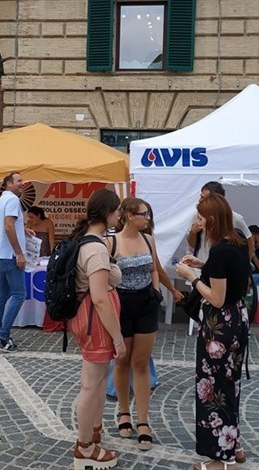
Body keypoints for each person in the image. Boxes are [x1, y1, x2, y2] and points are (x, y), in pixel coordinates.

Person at [176, 194, 251, 469]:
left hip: (219, 326)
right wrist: (201, 266)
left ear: (209, 220)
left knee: (215, 390)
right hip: (237, 321)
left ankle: (223, 460)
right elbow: (228, 278)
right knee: (230, 385)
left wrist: (191, 277)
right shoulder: (238, 241)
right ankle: (236, 446)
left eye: (199, 218)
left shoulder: (219, 251)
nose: (196, 223)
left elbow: (216, 297)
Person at [68, 188, 125, 469]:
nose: (119, 216)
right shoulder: (95, 248)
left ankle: (92, 432)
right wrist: (118, 338)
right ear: (107, 214)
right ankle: (85, 447)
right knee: (91, 385)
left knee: (97, 382)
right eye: (116, 212)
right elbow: (101, 298)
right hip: (95, 321)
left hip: (86, 318)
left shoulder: (85, 239)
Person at [106, 197, 161, 450]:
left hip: (147, 303)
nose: (147, 218)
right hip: (122, 304)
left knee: (141, 362)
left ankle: (143, 420)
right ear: (129, 215)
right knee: (122, 360)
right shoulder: (111, 242)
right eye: (143, 214)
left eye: (148, 214)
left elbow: (154, 270)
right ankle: (123, 410)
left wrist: (157, 292)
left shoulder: (148, 239)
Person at [0, 172, 28, 351]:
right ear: (8, 184)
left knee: (1, 295)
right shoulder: (13, 200)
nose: (23, 183)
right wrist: (19, 253)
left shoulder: (1, 200)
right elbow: (8, 225)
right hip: (10, 256)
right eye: (19, 181)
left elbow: (7, 225)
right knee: (19, 295)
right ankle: (3, 337)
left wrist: (25, 232)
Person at [186, 181, 253, 264]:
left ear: (216, 201)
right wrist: (193, 232)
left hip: (224, 271)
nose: (199, 200)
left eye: (203, 198)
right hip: (201, 268)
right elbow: (192, 244)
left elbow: (249, 242)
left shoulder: (235, 219)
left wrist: (244, 265)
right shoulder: (196, 215)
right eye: (200, 196)